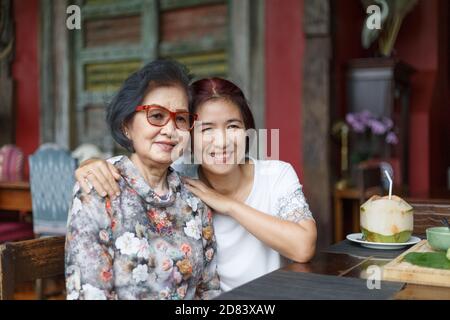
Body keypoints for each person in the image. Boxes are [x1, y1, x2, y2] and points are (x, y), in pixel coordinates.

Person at [75, 77, 317, 292]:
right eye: (206, 129)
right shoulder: (178, 180)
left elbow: (303, 247)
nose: (222, 142)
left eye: (233, 126)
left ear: (247, 132)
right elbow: (138, 170)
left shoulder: (275, 175)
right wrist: (91, 162)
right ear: (188, 135)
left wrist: (228, 205)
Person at [65, 60, 220, 300]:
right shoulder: (100, 188)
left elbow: (208, 289)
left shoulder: (194, 200)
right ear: (127, 125)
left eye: (180, 119)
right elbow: (88, 294)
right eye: (157, 116)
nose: (170, 130)